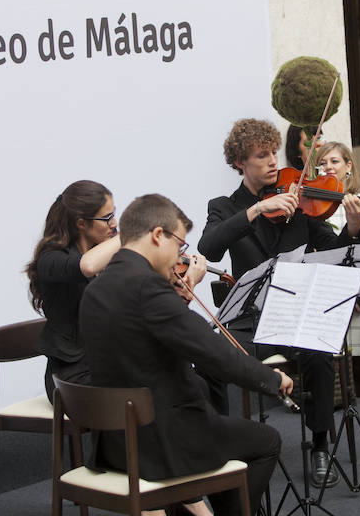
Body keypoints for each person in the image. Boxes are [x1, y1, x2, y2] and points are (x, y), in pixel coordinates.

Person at [78, 194, 292, 516]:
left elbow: (145, 344)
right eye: (179, 245)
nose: (179, 256)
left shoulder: (96, 290)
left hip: (116, 443)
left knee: (222, 429)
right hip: (162, 443)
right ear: (157, 235)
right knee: (266, 442)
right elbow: (214, 354)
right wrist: (272, 379)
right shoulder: (148, 289)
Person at [198, 118, 360, 488]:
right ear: (241, 162)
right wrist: (258, 209)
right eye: (262, 155)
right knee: (208, 359)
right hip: (250, 317)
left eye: (274, 152)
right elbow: (208, 246)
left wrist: (352, 228)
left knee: (320, 350)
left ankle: (320, 445)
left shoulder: (300, 200)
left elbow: (332, 248)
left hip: (291, 312)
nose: (273, 161)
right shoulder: (225, 206)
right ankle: (218, 444)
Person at [25, 180, 120, 399]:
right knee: (152, 391)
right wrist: (133, 234)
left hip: (107, 363)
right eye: (107, 218)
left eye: (114, 214)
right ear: (80, 223)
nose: (114, 224)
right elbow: (86, 266)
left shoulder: (106, 255)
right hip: (71, 377)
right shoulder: (51, 260)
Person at [316, 141, 360, 398]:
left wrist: (353, 293)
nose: (328, 167)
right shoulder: (314, 208)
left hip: (359, 299)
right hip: (327, 298)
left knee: (358, 371)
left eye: (334, 161)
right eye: (322, 163)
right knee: (331, 372)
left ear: (348, 166)